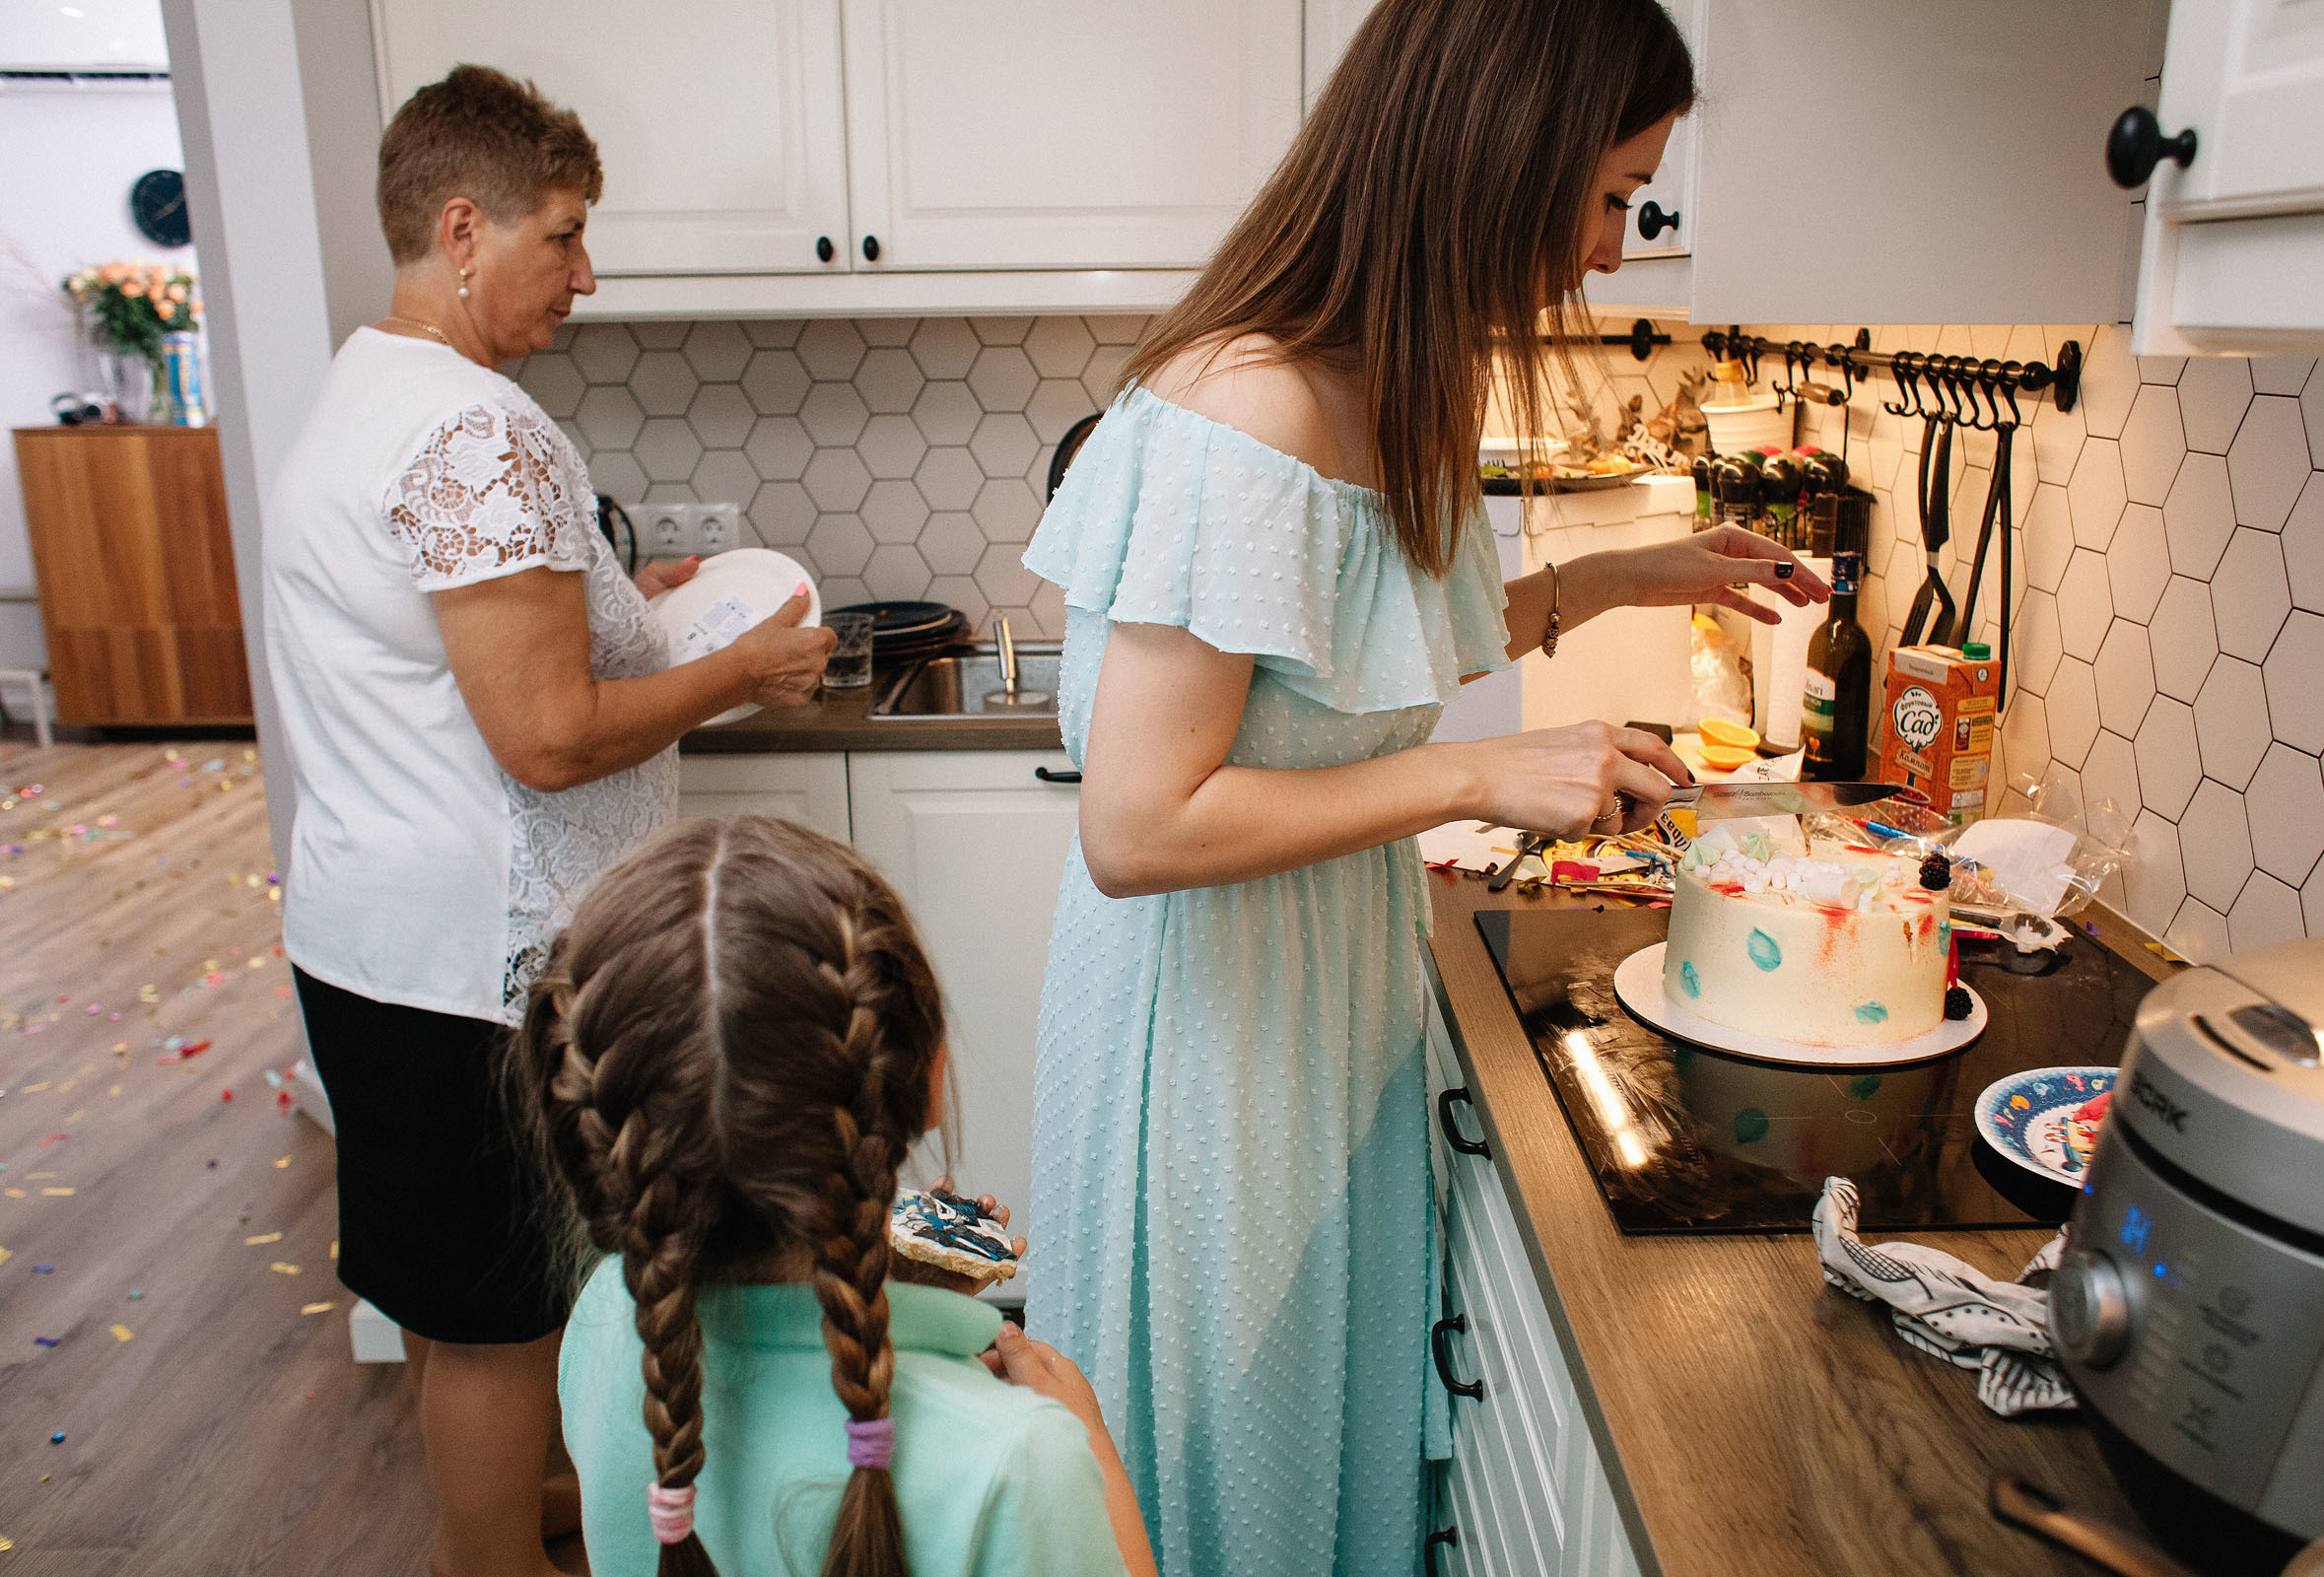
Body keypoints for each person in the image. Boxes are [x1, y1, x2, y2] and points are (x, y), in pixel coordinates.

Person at [1017, 4, 1829, 1574]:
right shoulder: (1244, 407)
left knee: (1314, 1440)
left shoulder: (1395, 381)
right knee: (1229, 1467)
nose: (1611, 248)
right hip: (1210, 1035)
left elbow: (1354, 664)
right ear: (1503, 147)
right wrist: (1476, 772)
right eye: (1611, 194)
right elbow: (1138, 825)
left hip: (1320, 991)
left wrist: (1625, 573)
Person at [263, 66, 836, 1577]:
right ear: (465, 228)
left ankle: (513, 1514)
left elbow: (450, 646)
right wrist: (743, 669)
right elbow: (550, 736)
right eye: (564, 235)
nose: (586, 275)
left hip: (372, 937)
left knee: (455, 1296)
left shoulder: (368, 387)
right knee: (502, 1316)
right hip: (478, 965)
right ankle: (492, 1561)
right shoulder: (476, 434)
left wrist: (624, 612)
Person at [516, 816, 1160, 1577]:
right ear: (929, 1079)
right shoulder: (1022, 1460)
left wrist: (889, 1292)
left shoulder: (604, 1325)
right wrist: (1094, 1455)